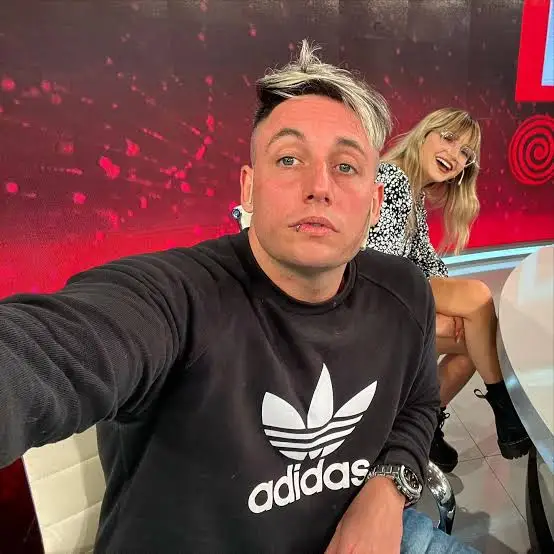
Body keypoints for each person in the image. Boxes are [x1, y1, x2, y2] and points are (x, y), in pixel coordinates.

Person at [0, 41, 478, 553]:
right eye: (289, 159)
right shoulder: (176, 299)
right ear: (249, 189)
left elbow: (418, 404)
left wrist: (387, 490)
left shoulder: (403, 292)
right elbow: (39, 354)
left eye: (345, 167)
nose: (319, 186)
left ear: (375, 201)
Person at [365, 108, 532, 473]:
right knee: (477, 299)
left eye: (465, 153)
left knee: (476, 340)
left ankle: (422, 428)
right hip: (370, 313)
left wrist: (453, 310)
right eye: (449, 138)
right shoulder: (390, 177)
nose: (455, 155)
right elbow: (381, 270)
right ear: (425, 134)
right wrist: (438, 314)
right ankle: (506, 409)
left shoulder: (412, 191)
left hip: (392, 302)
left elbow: (425, 258)